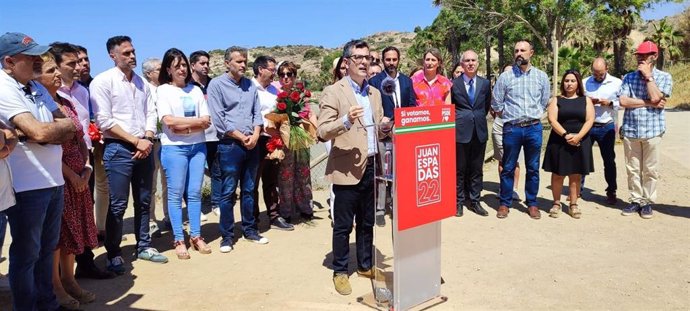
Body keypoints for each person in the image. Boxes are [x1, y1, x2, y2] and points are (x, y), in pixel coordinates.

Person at [0, 32, 77, 311]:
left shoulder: (35, 86)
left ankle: (48, 304)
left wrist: (32, 134)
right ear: (8, 61)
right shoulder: (3, 87)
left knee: (47, 252)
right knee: (27, 255)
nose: (36, 60)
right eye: (30, 56)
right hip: (25, 186)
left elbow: (70, 126)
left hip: (52, 180)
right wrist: (39, 133)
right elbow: (41, 130)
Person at [91, 35, 168, 275]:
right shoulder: (103, 82)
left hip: (144, 145)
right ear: (112, 55)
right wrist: (136, 141)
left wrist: (146, 136)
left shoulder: (141, 83)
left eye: (133, 51)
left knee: (144, 199)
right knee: (118, 204)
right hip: (119, 148)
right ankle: (113, 253)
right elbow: (104, 120)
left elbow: (150, 111)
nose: (132, 56)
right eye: (126, 53)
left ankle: (143, 245)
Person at [317, 39, 386, 296]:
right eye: (358, 57)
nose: (364, 61)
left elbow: (377, 126)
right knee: (344, 225)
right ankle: (340, 271)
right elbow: (323, 131)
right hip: (346, 169)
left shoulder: (374, 93)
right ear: (346, 62)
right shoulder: (333, 91)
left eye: (367, 57)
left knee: (368, 222)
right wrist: (345, 120)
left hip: (371, 165)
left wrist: (385, 127)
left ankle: (366, 265)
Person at [37, 52, 98, 309]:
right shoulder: (38, 107)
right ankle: (56, 286)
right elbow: (46, 148)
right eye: (51, 71)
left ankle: (70, 281)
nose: (58, 75)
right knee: (57, 237)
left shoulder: (65, 102)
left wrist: (84, 166)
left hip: (78, 177)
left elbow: (80, 137)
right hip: (58, 176)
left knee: (73, 236)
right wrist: (72, 174)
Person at [207, 46, 267, 253]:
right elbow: (219, 119)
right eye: (239, 61)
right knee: (228, 192)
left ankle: (250, 230)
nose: (243, 65)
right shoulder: (216, 85)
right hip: (230, 146)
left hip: (252, 144)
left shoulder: (250, 85)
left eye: (245, 61)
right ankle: (227, 236)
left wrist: (256, 135)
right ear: (227, 63)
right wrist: (242, 137)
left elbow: (257, 113)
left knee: (250, 189)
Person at [157, 48, 213, 259]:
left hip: (198, 147)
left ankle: (196, 236)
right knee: (174, 193)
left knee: (194, 193)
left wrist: (185, 127)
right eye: (177, 66)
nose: (182, 69)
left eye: (184, 65)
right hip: (174, 149)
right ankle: (179, 238)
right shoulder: (163, 90)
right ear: (168, 69)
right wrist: (194, 124)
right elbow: (168, 122)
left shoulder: (196, 90)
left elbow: (206, 121)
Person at [492, 40, 551, 219]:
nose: (519, 53)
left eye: (523, 50)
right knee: (508, 166)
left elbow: (544, 101)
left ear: (531, 53)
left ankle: (532, 203)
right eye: (516, 50)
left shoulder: (541, 76)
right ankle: (504, 203)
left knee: (533, 167)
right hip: (512, 129)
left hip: (533, 128)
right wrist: (510, 117)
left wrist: (533, 114)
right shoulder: (506, 77)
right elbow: (496, 102)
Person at [619, 41, 672, 219]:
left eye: (645, 55)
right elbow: (623, 102)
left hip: (653, 131)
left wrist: (648, 77)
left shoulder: (664, 77)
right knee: (632, 169)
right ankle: (635, 200)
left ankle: (648, 202)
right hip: (631, 130)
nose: (640, 58)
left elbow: (657, 96)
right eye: (639, 55)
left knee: (650, 169)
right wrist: (649, 103)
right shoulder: (628, 77)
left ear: (654, 56)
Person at [368, 45, 417, 224]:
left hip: (403, 133)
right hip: (383, 133)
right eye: (387, 60)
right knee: (383, 171)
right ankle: (380, 209)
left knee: (401, 172)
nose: (391, 63)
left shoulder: (406, 81)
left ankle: (397, 205)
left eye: (394, 59)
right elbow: (373, 108)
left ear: (399, 60)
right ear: (383, 61)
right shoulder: (374, 82)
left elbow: (411, 105)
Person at [543, 70, 595, 219]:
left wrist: (578, 136)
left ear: (578, 83)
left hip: (580, 140)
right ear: (563, 83)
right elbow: (552, 119)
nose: (569, 84)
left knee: (575, 175)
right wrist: (566, 135)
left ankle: (573, 204)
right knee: (558, 174)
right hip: (559, 141)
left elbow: (590, 120)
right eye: (566, 81)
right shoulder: (556, 100)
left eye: (572, 81)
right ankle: (556, 203)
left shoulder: (586, 100)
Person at [251, 56, 292, 230]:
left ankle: (274, 216)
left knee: (271, 181)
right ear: (261, 69)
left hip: (274, 140)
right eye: (272, 69)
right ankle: (252, 220)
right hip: (256, 141)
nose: (274, 73)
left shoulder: (275, 91)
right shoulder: (248, 88)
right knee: (251, 182)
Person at [274, 61, 317, 225]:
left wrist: (316, 129)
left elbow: (309, 114)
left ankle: (306, 208)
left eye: (289, 74)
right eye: (282, 74)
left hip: (301, 140)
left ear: (294, 76)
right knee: (285, 176)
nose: (286, 78)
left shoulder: (300, 96)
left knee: (304, 175)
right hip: (285, 141)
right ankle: (286, 211)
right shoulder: (275, 94)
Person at [451, 50, 491, 217]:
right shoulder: (454, 84)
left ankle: (475, 201)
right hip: (461, 132)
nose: (470, 63)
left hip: (479, 132)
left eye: (473, 60)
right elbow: (452, 105)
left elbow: (486, 105)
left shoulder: (485, 83)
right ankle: (458, 202)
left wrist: (477, 118)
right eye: (467, 60)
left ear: (477, 63)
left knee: (476, 168)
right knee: (459, 169)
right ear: (462, 64)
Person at [583, 57, 622, 205]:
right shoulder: (585, 82)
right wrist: (588, 102)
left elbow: (624, 102)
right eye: (595, 73)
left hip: (607, 126)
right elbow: (579, 99)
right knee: (582, 158)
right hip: (588, 125)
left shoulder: (617, 83)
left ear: (607, 69)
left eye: (600, 73)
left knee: (609, 160)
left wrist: (611, 103)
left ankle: (611, 191)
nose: (597, 76)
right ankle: (578, 189)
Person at [189, 50, 220, 218]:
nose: (206, 66)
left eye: (207, 63)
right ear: (192, 65)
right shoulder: (186, 85)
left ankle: (216, 203)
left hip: (214, 135)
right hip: (195, 136)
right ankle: (196, 207)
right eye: (202, 63)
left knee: (217, 171)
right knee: (196, 173)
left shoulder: (214, 84)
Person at [141, 57, 169, 235]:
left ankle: (168, 217)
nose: (163, 71)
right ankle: (151, 219)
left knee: (169, 182)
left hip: (168, 141)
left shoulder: (167, 90)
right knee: (150, 183)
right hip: (152, 142)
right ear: (149, 73)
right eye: (159, 69)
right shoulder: (144, 90)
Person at [491, 64, 522, 202]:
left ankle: (514, 189)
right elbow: (493, 106)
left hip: (518, 125)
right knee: (502, 159)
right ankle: (504, 187)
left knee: (515, 160)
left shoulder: (520, 87)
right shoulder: (498, 87)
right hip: (500, 124)